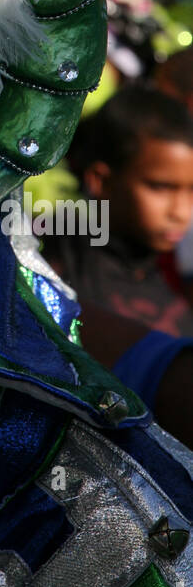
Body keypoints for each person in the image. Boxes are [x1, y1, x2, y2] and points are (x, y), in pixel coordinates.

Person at [44, 85, 193, 446]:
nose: (182, 212)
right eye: (161, 187)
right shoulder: (50, 273)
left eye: (192, 191)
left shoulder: (177, 287)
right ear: (102, 179)